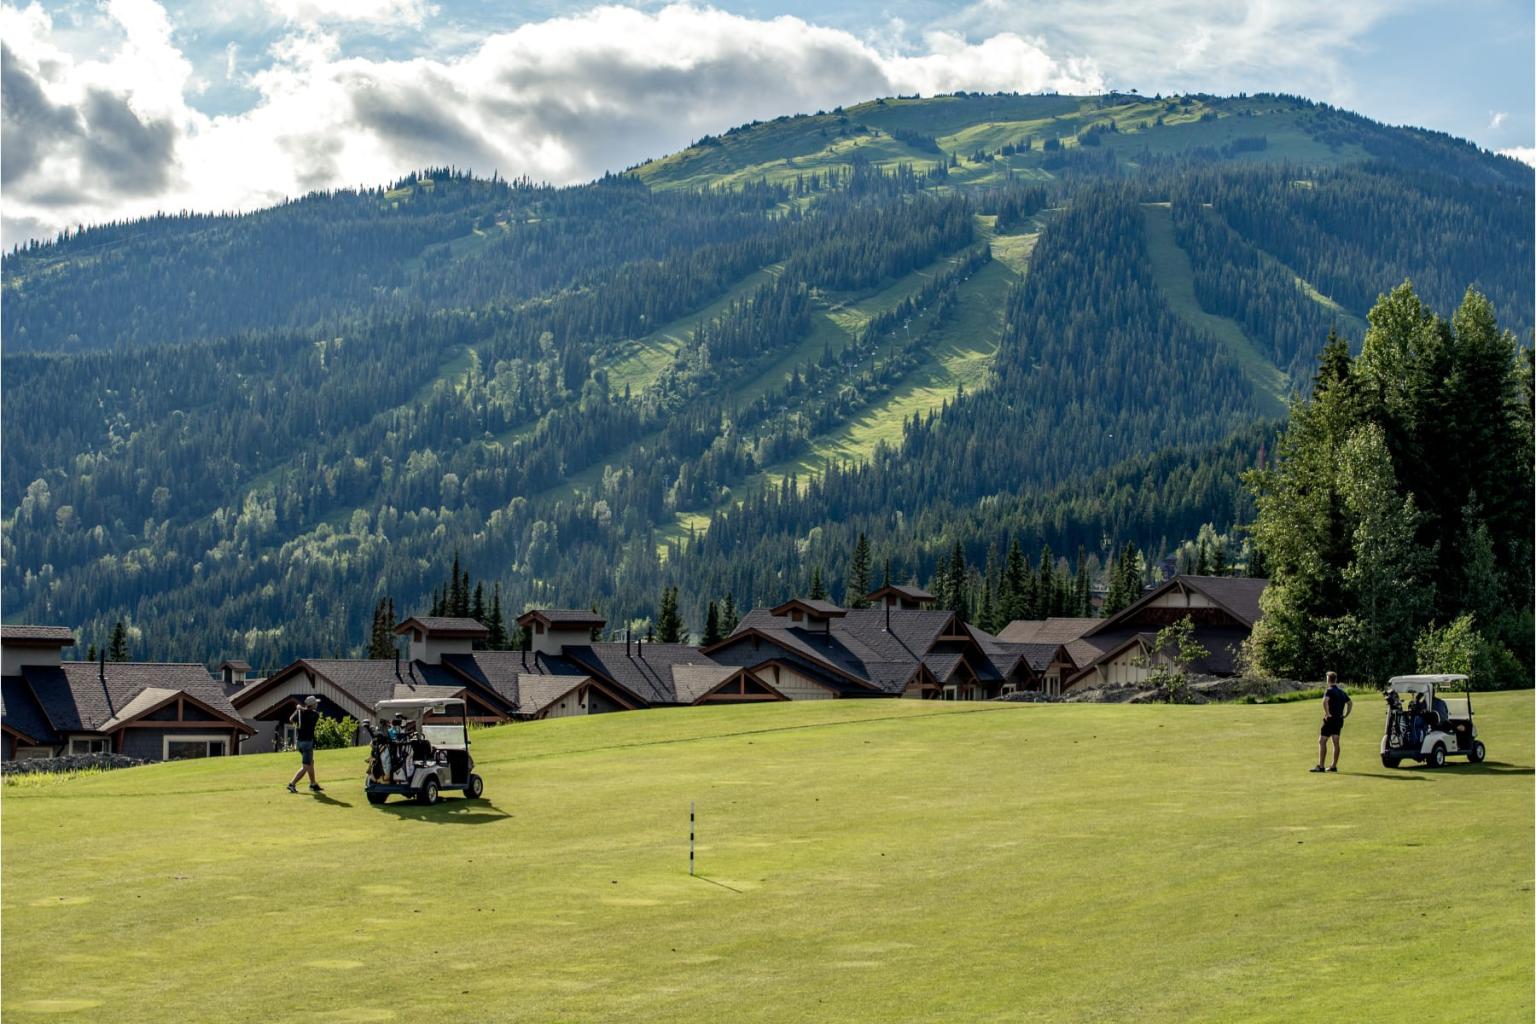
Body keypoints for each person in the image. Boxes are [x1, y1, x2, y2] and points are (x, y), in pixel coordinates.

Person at [1311, 671, 1352, 773]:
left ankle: (1321, 766)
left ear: (1328, 679)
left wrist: (1328, 713)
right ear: (1335, 679)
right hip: (1339, 719)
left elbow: (1324, 701)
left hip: (1330, 719)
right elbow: (1350, 703)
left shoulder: (1329, 690)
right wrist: (1346, 714)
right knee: (1336, 742)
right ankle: (1333, 766)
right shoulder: (1342, 692)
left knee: (1322, 741)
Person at [286, 695, 324, 793]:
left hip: (299, 742)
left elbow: (291, 719)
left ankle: (313, 784)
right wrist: (300, 709)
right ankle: (292, 784)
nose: (316, 705)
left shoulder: (303, 712)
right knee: (306, 766)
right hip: (307, 743)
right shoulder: (314, 714)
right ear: (312, 705)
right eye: (315, 703)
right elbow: (306, 712)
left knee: (311, 763)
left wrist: (299, 709)